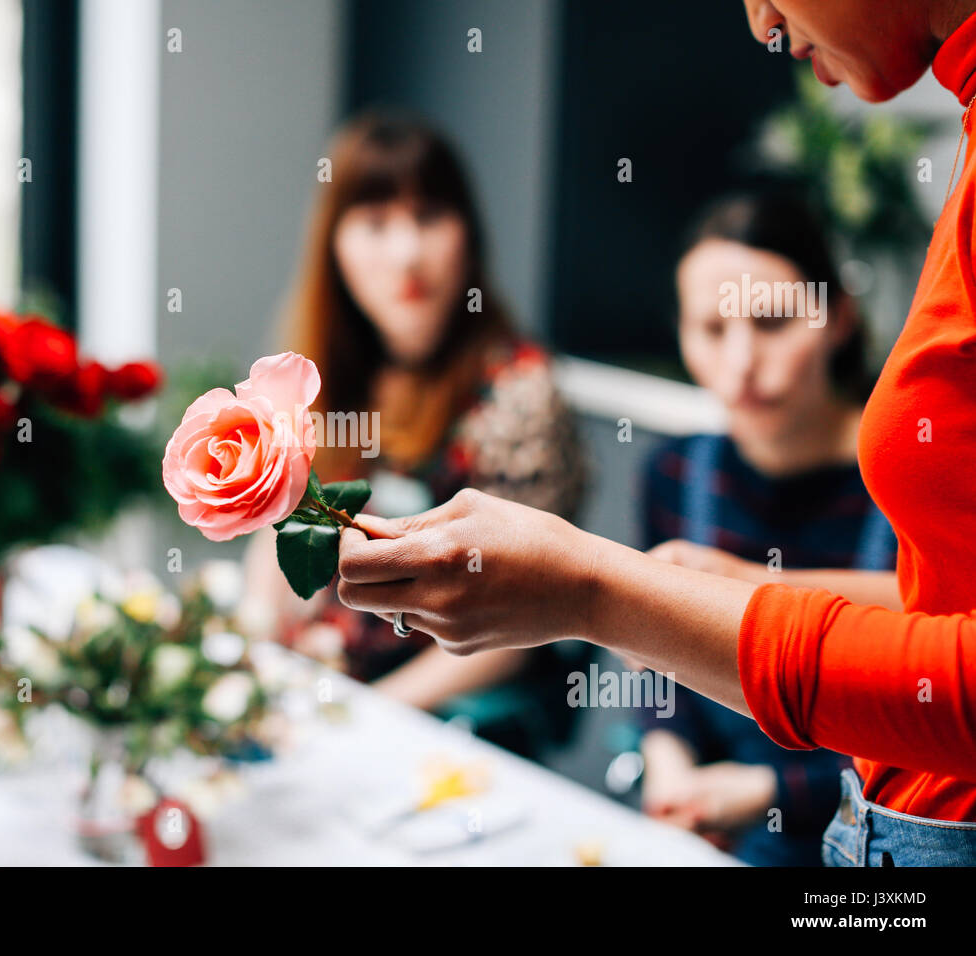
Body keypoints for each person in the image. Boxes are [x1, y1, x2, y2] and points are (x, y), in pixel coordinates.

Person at [336, 0, 976, 866]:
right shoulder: (684, 471)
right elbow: (941, 609)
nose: (758, 23)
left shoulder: (515, 390)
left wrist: (601, 594)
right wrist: (716, 594)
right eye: (710, 329)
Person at [240, 113, 588, 757]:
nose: (406, 253)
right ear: (334, 244)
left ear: (468, 235)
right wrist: (256, 655)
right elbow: (276, 538)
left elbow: (520, 618)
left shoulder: (518, 395)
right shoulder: (314, 376)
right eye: (374, 223)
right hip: (321, 700)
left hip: (443, 724)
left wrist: (360, 718)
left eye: (428, 217)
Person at [637, 191, 896, 866]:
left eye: (774, 322)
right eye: (713, 330)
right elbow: (657, 664)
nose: (742, 364)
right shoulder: (672, 475)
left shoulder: (904, 490)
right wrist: (670, 771)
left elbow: (931, 705)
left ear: (839, 317)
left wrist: (768, 789)